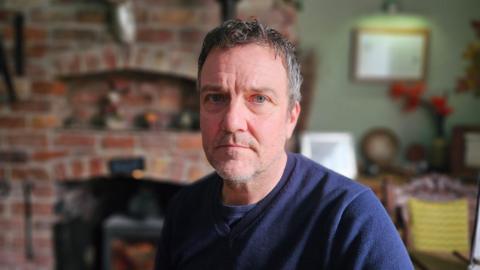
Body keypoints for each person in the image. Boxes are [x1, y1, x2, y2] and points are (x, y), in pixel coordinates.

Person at [155, 19, 413, 270]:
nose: (232, 122)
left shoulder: (350, 216)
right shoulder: (183, 209)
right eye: (215, 97)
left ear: (291, 117)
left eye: (258, 98)